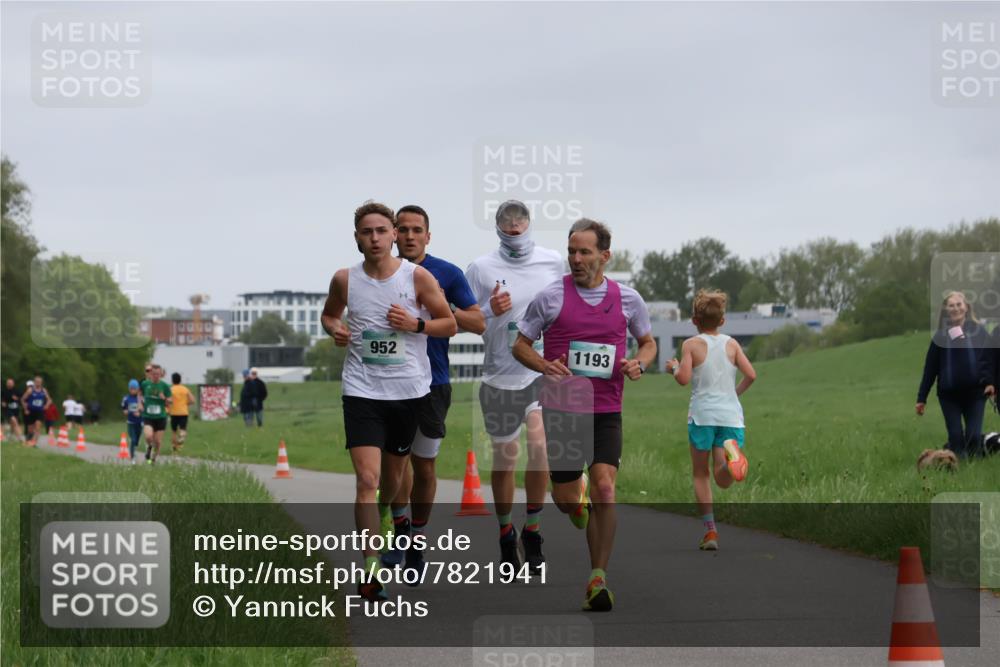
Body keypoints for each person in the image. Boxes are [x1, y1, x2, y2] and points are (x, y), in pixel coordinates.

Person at [513, 218, 656, 611]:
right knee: (565, 498)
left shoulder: (628, 299)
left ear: (604, 256)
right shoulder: (550, 297)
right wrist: (544, 365)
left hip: (606, 408)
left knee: (605, 487)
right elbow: (520, 344)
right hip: (562, 409)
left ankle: (598, 578)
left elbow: (647, 343)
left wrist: (639, 364)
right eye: (571, 251)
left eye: (584, 252)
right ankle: (577, 506)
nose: (575, 259)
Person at [321, 200, 455, 603]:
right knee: (367, 480)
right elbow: (328, 315)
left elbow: (448, 322)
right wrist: (335, 329)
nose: (375, 238)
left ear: (394, 235)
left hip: (408, 391)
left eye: (382, 231)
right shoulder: (345, 279)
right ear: (357, 238)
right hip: (362, 390)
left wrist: (415, 324)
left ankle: (400, 521)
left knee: (395, 481)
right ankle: (371, 567)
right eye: (367, 232)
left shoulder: (418, 277)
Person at [380, 204, 486, 576]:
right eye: (402, 229)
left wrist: (434, 312)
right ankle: (401, 529)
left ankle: (418, 537)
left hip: (433, 383)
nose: (409, 236)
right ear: (393, 234)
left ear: (428, 235)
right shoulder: (378, 273)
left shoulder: (445, 273)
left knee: (423, 467)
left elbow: (479, 322)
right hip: (387, 384)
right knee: (393, 465)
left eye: (416, 230)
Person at [465, 200, 564, 571]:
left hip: (540, 371)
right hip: (499, 377)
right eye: (508, 231)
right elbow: (461, 319)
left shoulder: (553, 262)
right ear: (498, 231)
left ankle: (534, 529)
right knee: (506, 460)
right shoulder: (480, 268)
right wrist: (488, 309)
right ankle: (507, 532)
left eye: (520, 229)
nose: (515, 237)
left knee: (540, 447)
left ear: (530, 226)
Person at [665, 289, 756, 552]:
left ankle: (710, 532)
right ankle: (731, 459)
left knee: (701, 474)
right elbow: (751, 374)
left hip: (703, 416)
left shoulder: (691, 344)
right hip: (730, 415)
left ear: (694, 320)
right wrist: (733, 394)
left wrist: (672, 367)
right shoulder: (732, 344)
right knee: (722, 477)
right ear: (723, 321)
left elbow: (683, 379)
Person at [916, 291, 991, 458]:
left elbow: (990, 359)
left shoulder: (979, 332)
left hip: (976, 394)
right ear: (946, 309)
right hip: (949, 396)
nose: (956, 308)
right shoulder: (940, 337)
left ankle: (975, 468)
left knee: (973, 437)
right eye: (951, 305)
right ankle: (954, 464)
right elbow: (930, 369)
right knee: (956, 436)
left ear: (966, 307)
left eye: (959, 304)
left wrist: (992, 383)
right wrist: (922, 398)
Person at [141, 364, 172, 464]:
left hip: (160, 417)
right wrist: (139, 404)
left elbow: (170, 402)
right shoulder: (145, 384)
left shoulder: (165, 386)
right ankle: (149, 447)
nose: (156, 376)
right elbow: (139, 394)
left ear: (161, 374)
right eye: (154, 374)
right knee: (148, 436)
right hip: (148, 416)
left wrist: (165, 398)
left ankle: (153, 459)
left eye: (158, 374)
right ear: (151, 374)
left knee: (158, 441)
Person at [21, 377, 53, 446]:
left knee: (38, 426)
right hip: (31, 411)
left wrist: (46, 406)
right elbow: (23, 399)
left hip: (40, 411)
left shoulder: (43, 390)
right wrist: (26, 409)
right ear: (34, 382)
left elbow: (49, 400)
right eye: (37, 381)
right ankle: (28, 440)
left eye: (39, 382)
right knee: (30, 429)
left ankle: (34, 442)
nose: (38, 383)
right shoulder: (30, 390)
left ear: (41, 382)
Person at [168, 372, 195, 453]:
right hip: (183, 412)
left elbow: (169, 401)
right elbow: (193, 400)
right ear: (180, 380)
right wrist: (186, 403)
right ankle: (182, 438)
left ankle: (174, 448)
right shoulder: (185, 389)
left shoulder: (171, 389)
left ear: (172, 380)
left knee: (174, 431)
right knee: (182, 429)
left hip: (174, 413)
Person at [121, 380, 144, 463]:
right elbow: (124, 410)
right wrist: (128, 412)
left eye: (134, 388)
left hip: (140, 422)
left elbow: (144, 409)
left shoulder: (140, 398)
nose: (132, 390)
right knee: (133, 440)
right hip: (131, 422)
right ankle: (132, 457)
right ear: (129, 389)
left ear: (138, 389)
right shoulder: (126, 398)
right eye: (131, 388)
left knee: (137, 441)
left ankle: (133, 448)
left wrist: (140, 413)